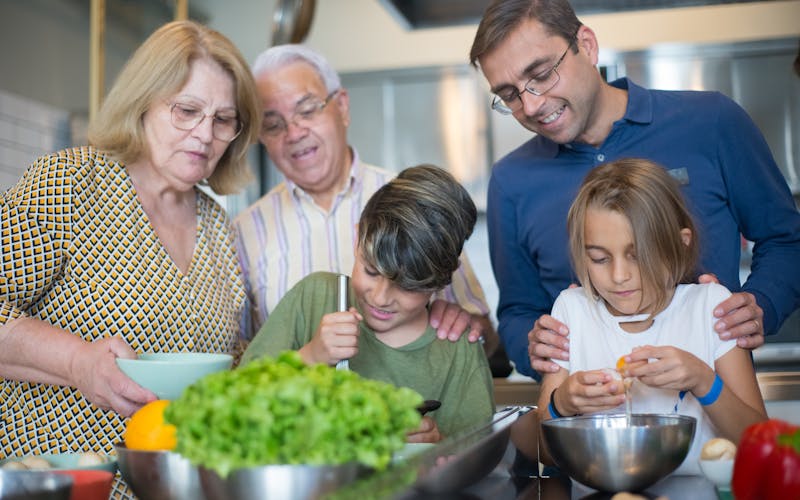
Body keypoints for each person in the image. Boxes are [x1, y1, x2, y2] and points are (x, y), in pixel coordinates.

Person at [469, 0, 800, 379]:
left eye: (541, 74)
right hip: (592, 425)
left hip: (718, 416)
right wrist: (535, 346)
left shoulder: (712, 121)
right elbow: (517, 311)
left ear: (587, 45)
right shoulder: (511, 180)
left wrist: (763, 303)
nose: (530, 104)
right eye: (509, 94)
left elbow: (786, 240)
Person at [0, 20, 259, 497]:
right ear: (143, 102)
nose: (205, 134)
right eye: (187, 110)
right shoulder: (71, 184)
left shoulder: (218, 225)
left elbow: (230, 359)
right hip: (64, 485)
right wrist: (79, 362)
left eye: (224, 119)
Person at [234, 44, 512, 376]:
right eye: (273, 124)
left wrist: (469, 326)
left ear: (342, 106)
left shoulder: (413, 205)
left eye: (307, 110)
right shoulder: (243, 231)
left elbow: (487, 340)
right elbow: (245, 361)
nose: (294, 133)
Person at [536, 159, 767, 474]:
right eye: (600, 258)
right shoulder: (571, 311)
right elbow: (544, 453)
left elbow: (759, 445)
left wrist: (703, 380)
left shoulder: (711, 308)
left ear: (681, 246)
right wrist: (561, 404)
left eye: (638, 255)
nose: (619, 276)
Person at [241, 165, 495, 441]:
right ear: (357, 236)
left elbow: (477, 452)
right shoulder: (312, 298)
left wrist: (438, 444)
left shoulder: (458, 350)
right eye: (371, 271)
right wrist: (310, 357)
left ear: (441, 281)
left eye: (407, 285)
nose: (380, 298)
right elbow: (237, 400)